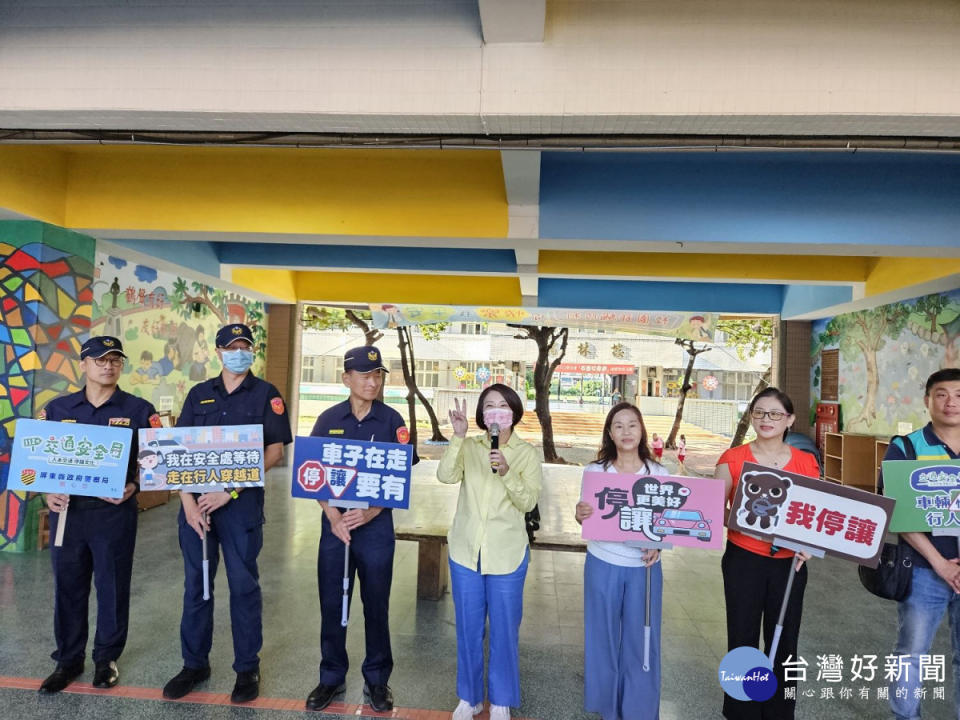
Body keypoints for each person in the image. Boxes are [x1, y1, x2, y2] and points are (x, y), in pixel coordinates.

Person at [163, 323, 292, 704]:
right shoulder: (199, 394)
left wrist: (229, 490)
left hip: (240, 508)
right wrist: (187, 501)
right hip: (196, 508)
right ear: (218, 353)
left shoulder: (266, 394)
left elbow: (275, 451)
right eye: (232, 347)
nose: (240, 352)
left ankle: (246, 668)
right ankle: (194, 664)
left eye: (245, 347)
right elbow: (177, 449)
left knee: (243, 586)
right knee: (197, 586)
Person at [38, 336, 161, 694]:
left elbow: (157, 461)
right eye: (100, 359)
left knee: (112, 586)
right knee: (68, 587)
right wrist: (47, 490)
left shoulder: (139, 410)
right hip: (69, 514)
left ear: (121, 365)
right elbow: (36, 462)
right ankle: (68, 659)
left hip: (113, 513)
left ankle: (105, 658)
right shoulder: (58, 409)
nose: (107, 366)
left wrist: (135, 485)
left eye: (115, 360)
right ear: (84, 364)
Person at [305, 345, 418, 714]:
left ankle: (377, 680)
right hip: (336, 528)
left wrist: (370, 513)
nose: (373, 381)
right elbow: (312, 475)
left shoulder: (392, 421)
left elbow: (401, 476)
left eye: (378, 375)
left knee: (376, 604)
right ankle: (331, 677)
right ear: (346, 379)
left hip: (375, 530)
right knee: (332, 603)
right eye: (365, 375)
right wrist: (333, 515)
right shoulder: (328, 419)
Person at [714, 387, 819, 720]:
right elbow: (713, 512)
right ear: (750, 416)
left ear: (789, 419)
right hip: (743, 559)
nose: (766, 420)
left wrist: (809, 548)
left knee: (786, 643)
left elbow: (816, 517)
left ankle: (780, 711)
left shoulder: (806, 462)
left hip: (790, 565)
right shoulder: (732, 459)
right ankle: (740, 711)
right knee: (742, 638)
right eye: (759, 412)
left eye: (775, 413)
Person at [439, 385, 542, 720]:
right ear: (483, 416)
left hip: (507, 553)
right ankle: (469, 697)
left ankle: (501, 699)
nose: (496, 411)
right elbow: (445, 476)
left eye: (502, 405)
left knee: (504, 629)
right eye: (489, 406)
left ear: (513, 411)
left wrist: (508, 472)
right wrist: (457, 436)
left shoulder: (526, 453)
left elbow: (528, 502)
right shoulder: (469, 446)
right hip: (466, 550)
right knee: (468, 627)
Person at [574, 402, 668, 720]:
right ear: (610, 433)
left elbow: (668, 524)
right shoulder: (595, 472)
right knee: (602, 637)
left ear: (641, 430)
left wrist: (659, 545)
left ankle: (639, 710)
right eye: (618, 426)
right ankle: (608, 709)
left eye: (632, 425)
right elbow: (584, 515)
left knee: (643, 639)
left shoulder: (659, 474)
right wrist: (579, 513)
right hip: (602, 562)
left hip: (644, 568)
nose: (626, 431)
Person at [880, 368, 960, 720]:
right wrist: (941, 563)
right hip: (926, 569)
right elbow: (897, 512)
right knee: (911, 654)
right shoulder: (906, 447)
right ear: (928, 400)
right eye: (941, 394)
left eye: (958, 394)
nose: (951, 402)